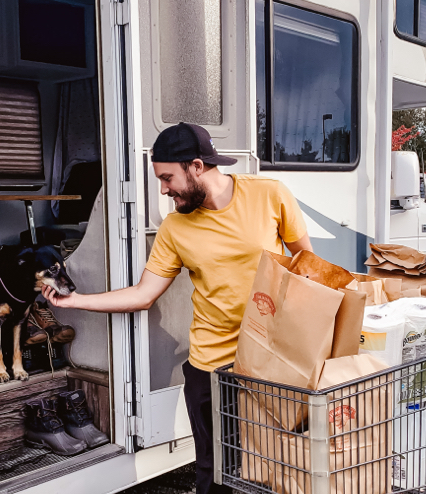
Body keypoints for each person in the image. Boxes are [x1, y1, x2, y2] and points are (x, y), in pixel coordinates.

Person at [42, 122, 312, 494]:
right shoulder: (174, 227)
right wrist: (76, 301)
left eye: (168, 177)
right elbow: (143, 294)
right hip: (211, 363)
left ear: (197, 167)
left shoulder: (269, 195)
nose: (163, 189)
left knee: (276, 462)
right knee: (214, 468)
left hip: (269, 359)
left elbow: (307, 264)